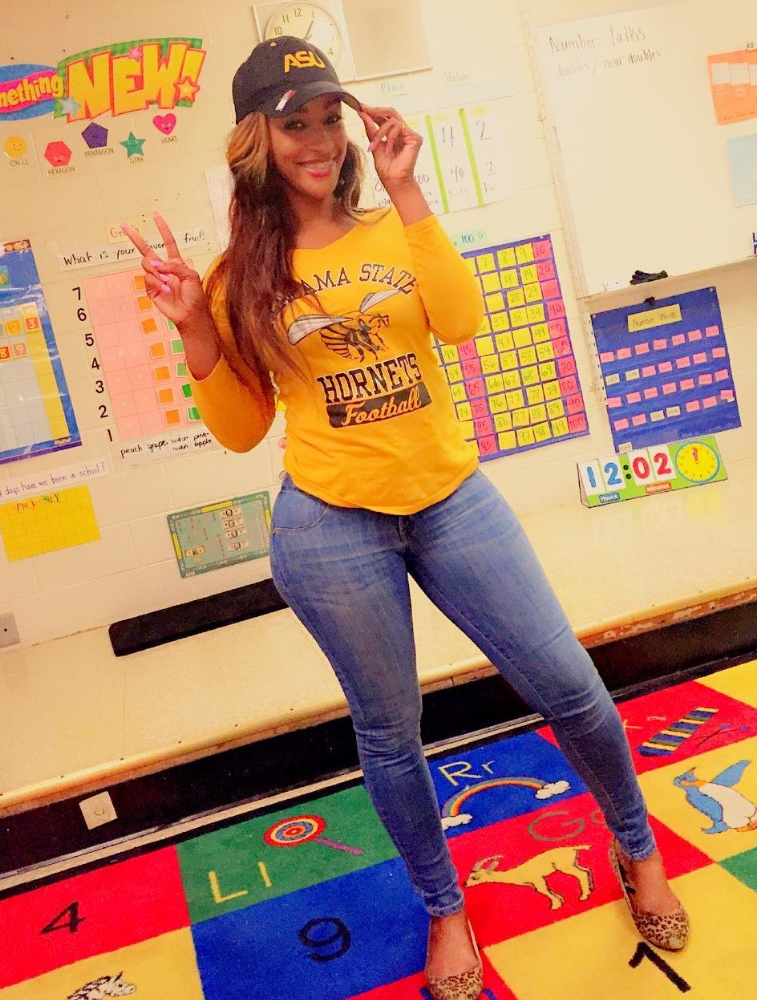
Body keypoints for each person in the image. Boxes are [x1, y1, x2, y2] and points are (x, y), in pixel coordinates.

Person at [122, 35, 689, 1000]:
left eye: (328, 119)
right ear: (256, 141)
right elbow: (242, 429)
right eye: (295, 125)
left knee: (570, 685)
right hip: (330, 525)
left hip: (451, 499)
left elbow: (460, 322)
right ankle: (446, 910)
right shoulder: (237, 275)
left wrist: (409, 191)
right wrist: (195, 329)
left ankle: (637, 850)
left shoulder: (393, 225)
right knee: (390, 735)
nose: (318, 141)